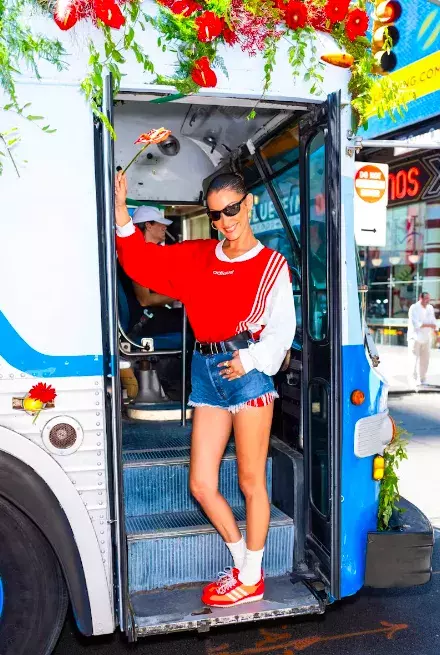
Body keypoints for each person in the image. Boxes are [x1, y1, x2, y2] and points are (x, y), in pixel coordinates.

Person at [115, 170, 296, 608]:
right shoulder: (196, 256)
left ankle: (250, 578)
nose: (225, 221)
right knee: (200, 483)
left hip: (248, 374)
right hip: (206, 374)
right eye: (215, 214)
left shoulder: (271, 265)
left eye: (232, 209)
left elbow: (283, 330)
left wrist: (248, 360)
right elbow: (141, 264)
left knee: (251, 481)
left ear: (248, 203)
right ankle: (243, 564)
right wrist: (121, 211)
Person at [118, 205, 183, 338]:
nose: (165, 227)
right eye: (161, 224)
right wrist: (185, 294)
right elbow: (145, 300)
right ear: (148, 225)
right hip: (143, 322)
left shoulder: (147, 256)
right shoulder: (136, 255)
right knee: (196, 321)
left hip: (148, 316)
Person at [407, 291, 437, 388]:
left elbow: (433, 321)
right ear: (421, 298)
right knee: (413, 360)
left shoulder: (430, 308)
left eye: (429, 299)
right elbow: (416, 324)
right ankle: (412, 380)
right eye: (426, 298)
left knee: (425, 360)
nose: (428, 300)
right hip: (415, 337)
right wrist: (430, 325)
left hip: (426, 337)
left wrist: (433, 327)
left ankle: (422, 379)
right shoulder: (414, 308)